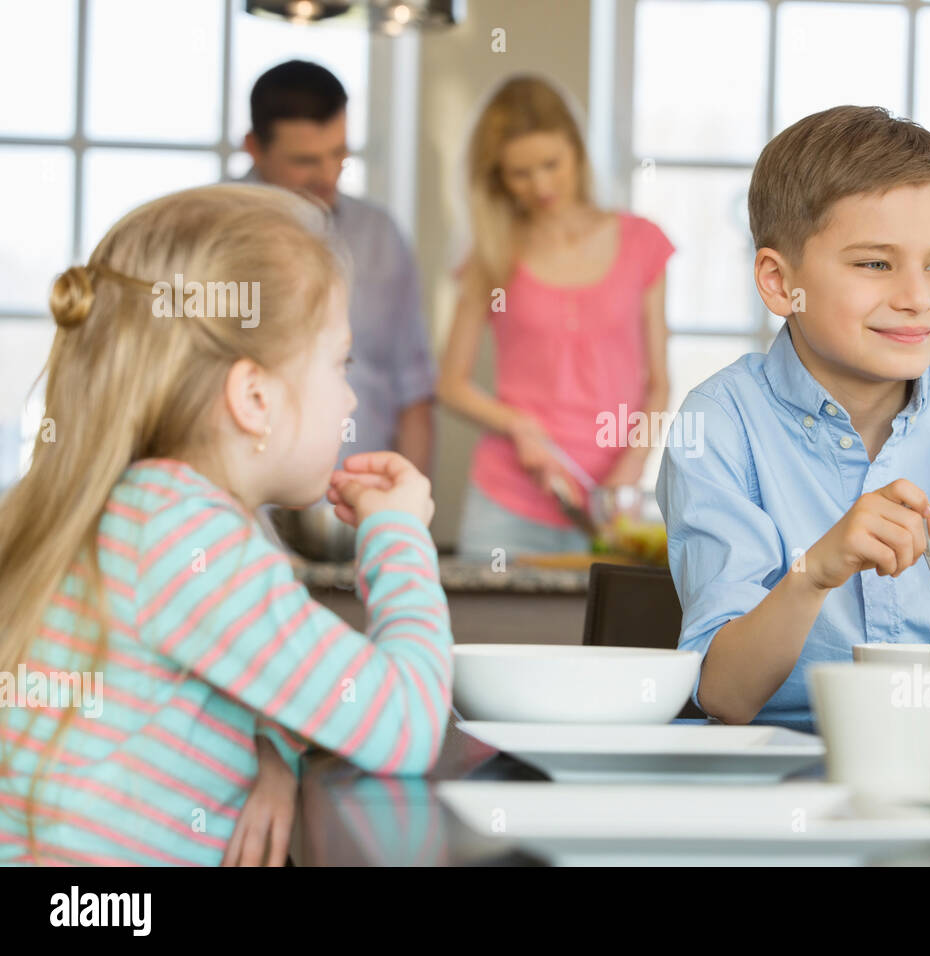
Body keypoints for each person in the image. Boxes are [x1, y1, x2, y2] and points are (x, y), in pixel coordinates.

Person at [0, 184, 451, 866]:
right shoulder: (185, 536)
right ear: (253, 397)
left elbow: (197, 683)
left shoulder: (138, 512)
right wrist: (399, 537)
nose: (352, 396)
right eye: (341, 363)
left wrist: (264, 746)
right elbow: (408, 724)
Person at [656, 106, 930, 726]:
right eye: (874, 264)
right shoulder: (722, 424)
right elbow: (726, 695)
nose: (917, 297)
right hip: (775, 780)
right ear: (780, 283)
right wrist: (815, 572)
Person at [438, 75, 675, 559]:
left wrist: (628, 475)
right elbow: (449, 383)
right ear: (497, 177)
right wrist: (517, 426)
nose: (541, 185)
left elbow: (659, 384)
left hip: (609, 503)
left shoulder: (641, 243)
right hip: (506, 503)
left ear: (577, 151)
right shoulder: (492, 253)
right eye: (520, 173)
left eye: (552, 164)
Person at [241, 59, 436, 478]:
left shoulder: (381, 236)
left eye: (339, 154)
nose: (328, 176)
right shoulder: (208, 234)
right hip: (238, 510)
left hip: (357, 500)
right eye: (305, 161)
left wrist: (408, 516)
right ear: (254, 148)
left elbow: (414, 391)